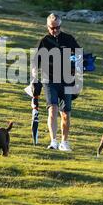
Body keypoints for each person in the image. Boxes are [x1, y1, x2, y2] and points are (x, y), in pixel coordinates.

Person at [33, 13, 81, 151]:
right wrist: (34, 80)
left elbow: (79, 56)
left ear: (61, 25)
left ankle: (64, 142)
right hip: (49, 80)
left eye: (57, 28)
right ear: (47, 26)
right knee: (52, 110)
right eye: (52, 28)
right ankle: (53, 141)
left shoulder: (69, 39)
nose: (55, 31)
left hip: (67, 80)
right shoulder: (44, 41)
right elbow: (36, 63)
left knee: (65, 113)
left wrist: (77, 74)